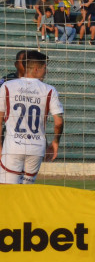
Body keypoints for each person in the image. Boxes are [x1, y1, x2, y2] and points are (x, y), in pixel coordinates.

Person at [0, 51, 64, 184]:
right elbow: (58, 122)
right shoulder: (49, 90)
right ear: (36, 69)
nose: (46, 71)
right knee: (26, 191)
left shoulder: (7, 86)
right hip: (36, 147)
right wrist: (55, 142)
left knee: (7, 190)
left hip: (13, 146)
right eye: (45, 68)